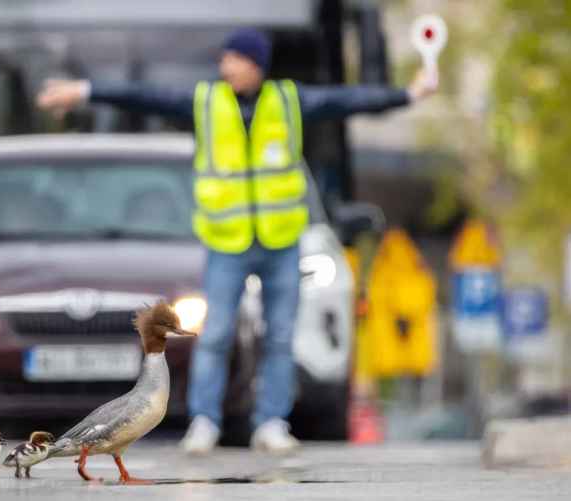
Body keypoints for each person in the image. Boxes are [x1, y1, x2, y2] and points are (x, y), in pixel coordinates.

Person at [37, 28, 437, 455]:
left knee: (281, 336)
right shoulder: (207, 101)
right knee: (214, 335)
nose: (225, 65)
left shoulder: (288, 101)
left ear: (255, 64)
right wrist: (84, 91)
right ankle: (205, 422)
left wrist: (408, 95)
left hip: (282, 242)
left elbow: (347, 100)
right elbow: (144, 96)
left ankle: (271, 423)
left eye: (234, 58)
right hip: (227, 243)